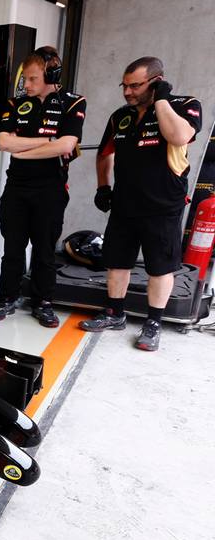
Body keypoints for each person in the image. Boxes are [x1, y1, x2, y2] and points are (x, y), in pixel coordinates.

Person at [79, 56, 203, 351]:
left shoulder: (184, 105)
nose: (127, 92)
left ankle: (154, 322)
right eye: (124, 85)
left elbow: (179, 136)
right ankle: (114, 313)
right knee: (117, 262)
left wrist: (161, 100)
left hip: (163, 205)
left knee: (160, 267)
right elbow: (104, 153)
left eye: (135, 86)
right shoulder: (120, 116)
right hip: (124, 203)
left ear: (156, 82)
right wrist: (103, 187)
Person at [0, 46, 86, 328]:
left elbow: (66, 145)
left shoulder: (73, 103)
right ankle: (7, 297)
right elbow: (4, 142)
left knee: (44, 250)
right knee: (13, 248)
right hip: (17, 187)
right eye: (25, 79)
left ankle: (43, 303)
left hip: (50, 189)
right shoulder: (15, 103)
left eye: (33, 78)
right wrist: (47, 142)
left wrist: (24, 149)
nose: (27, 85)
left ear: (51, 75)